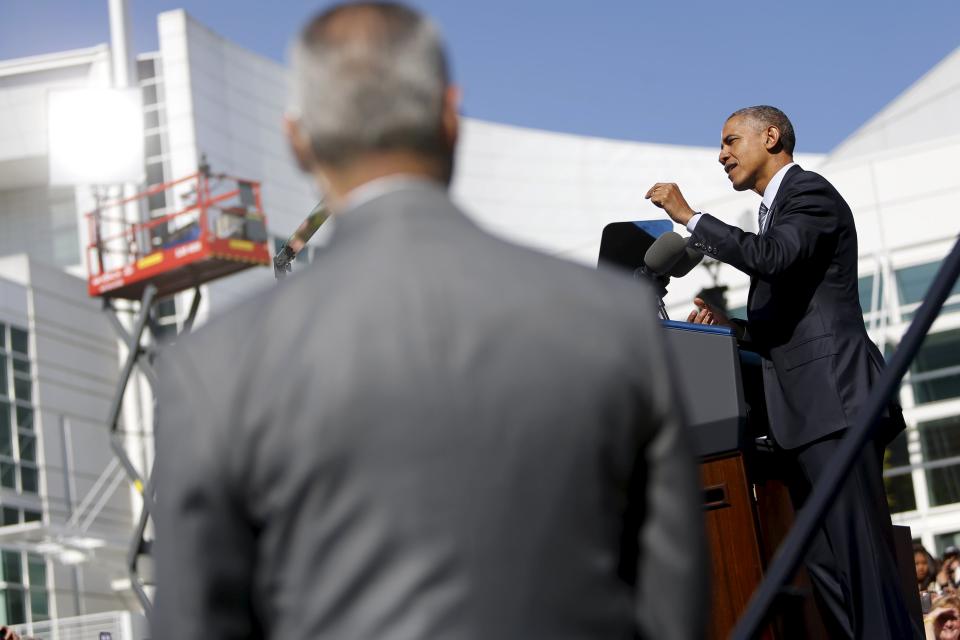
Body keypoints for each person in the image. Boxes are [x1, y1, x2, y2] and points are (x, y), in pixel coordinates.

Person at [152, 3, 707, 639]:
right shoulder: (614, 323)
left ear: (297, 139)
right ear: (450, 116)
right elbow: (672, 612)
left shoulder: (210, 369)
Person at [645, 106, 918, 638]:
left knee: (859, 563)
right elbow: (791, 318)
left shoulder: (809, 193)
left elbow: (776, 257)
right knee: (828, 569)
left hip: (835, 405)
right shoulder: (776, 211)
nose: (721, 155)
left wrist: (691, 218)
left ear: (770, 137)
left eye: (730, 141)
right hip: (802, 417)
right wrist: (734, 328)